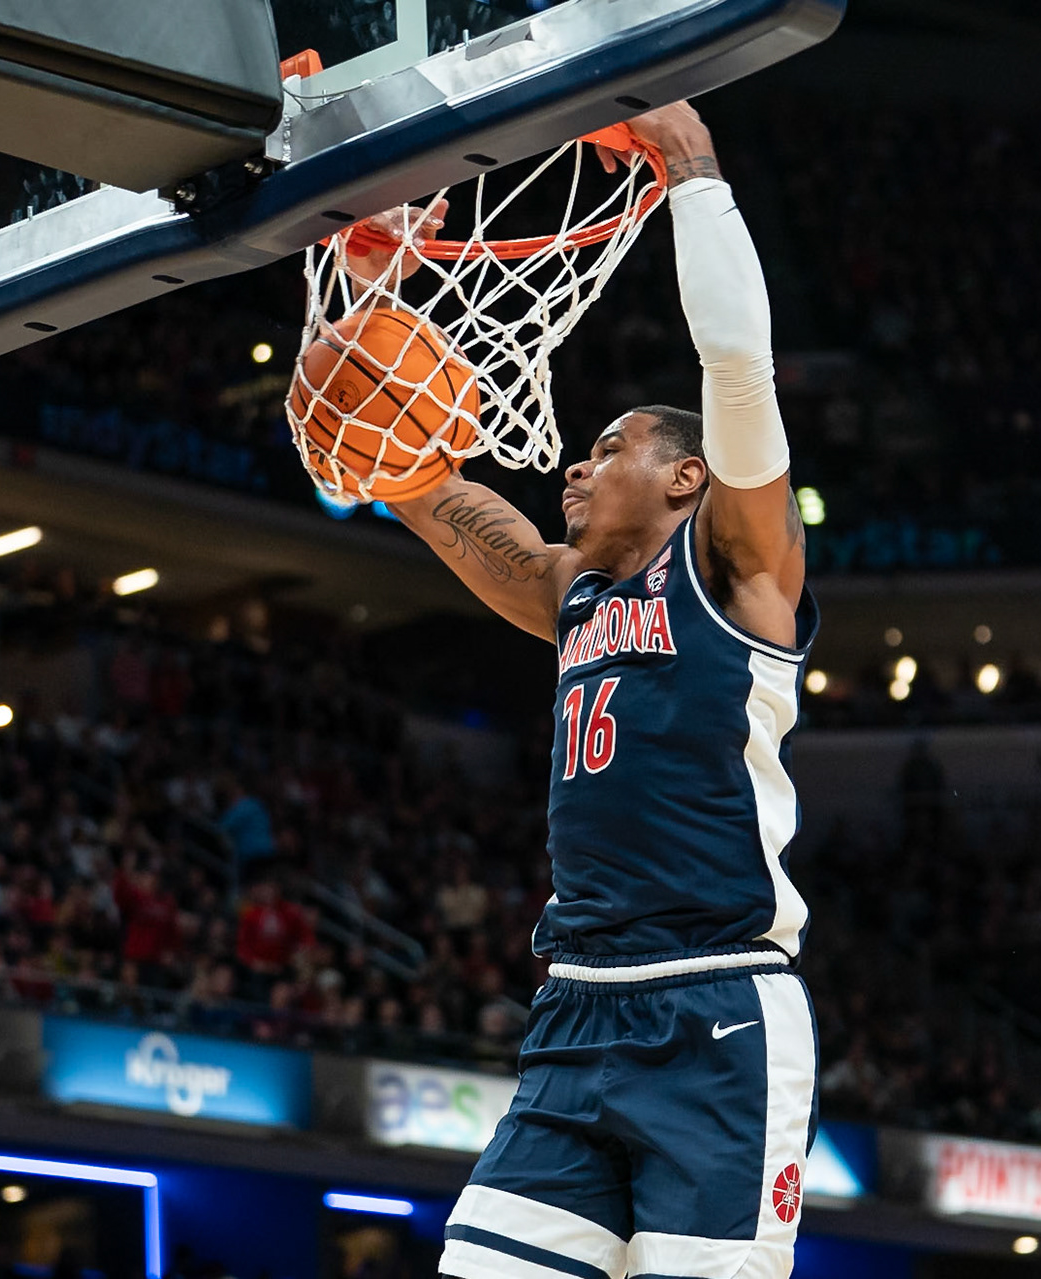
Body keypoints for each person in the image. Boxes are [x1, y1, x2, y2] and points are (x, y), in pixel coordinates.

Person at [372, 103, 818, 1279]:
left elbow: (738, 369)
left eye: (611, 445)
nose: (577, 460)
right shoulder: (569, 592)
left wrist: (695, 172)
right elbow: (422, 486)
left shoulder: (738, 568)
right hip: (575, 1007)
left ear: (687, 474)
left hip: (715, 1008)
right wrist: (367, 329)